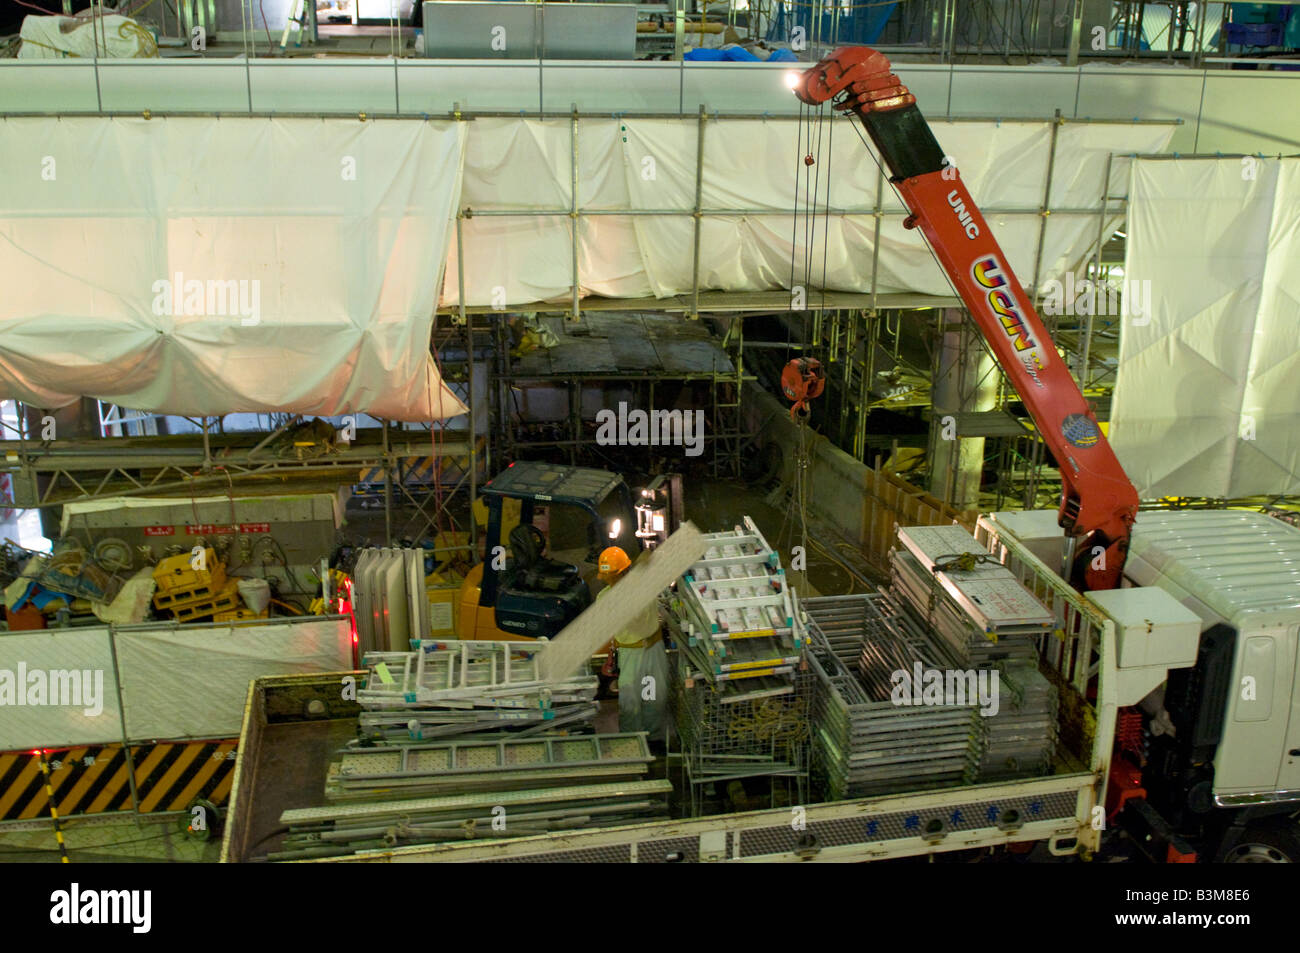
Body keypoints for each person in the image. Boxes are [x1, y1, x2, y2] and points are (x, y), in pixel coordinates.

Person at [596, 546, 668, 744]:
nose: (610, 581)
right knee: (629, 698)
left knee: (652, 696)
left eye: (613, 576)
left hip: (652, 650)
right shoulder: (605, 598)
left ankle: (652, 738)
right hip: (630, 654)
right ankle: (630, 740)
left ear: (624, 572)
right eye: (607, 577)